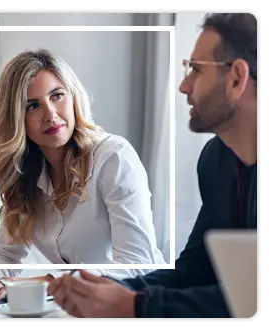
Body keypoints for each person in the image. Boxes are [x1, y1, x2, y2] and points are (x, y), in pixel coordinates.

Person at [48, 13, 257, 318]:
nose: (184, 86)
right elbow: (194, 272)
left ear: (237, 78)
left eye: (196, 70)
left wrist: (137, 306)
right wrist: (109, 288)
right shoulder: (217, 161)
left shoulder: (113, 156)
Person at [0, 49, 166, 304]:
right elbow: (5, 254)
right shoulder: (26, 174)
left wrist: (47, 282)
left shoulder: (113, 158)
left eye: (57, 96)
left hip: (139, 303)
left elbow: (137, 264)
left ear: (73, 96)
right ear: (17, 119)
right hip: (77, 307)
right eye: (32, 105)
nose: (50, 113)